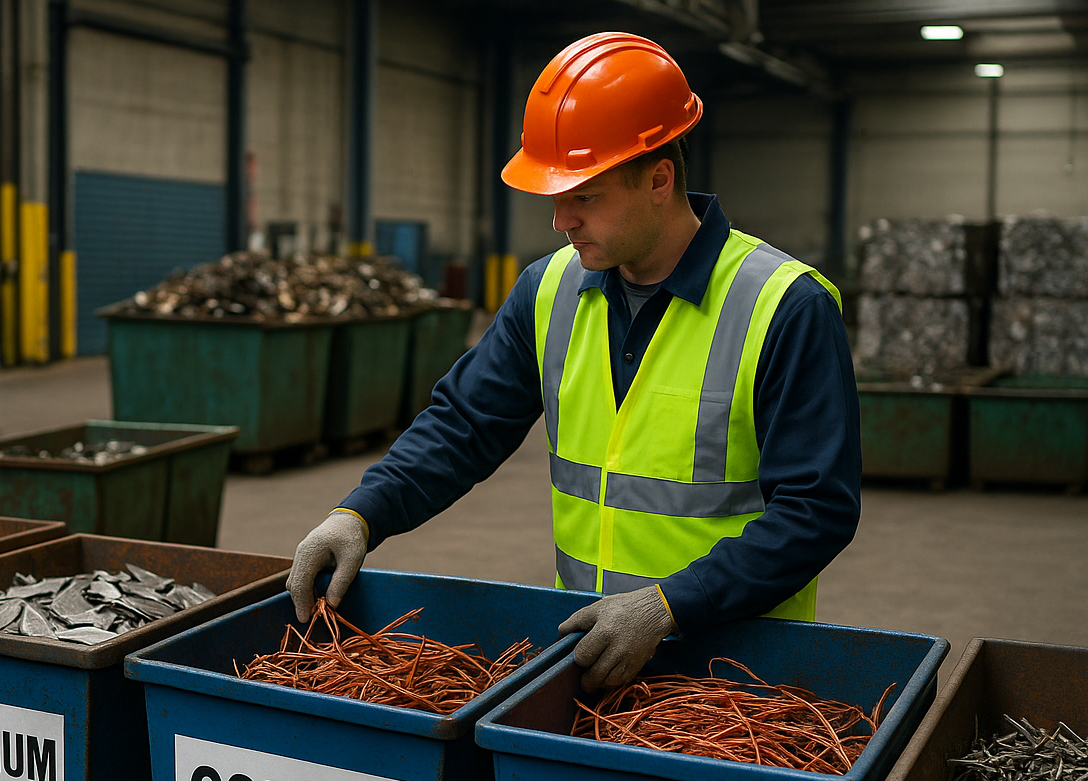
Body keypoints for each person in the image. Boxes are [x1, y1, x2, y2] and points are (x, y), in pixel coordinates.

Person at [286, 31, 860, 692]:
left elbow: (816, 511)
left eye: (583, 196)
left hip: (737, 681)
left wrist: (668, 606)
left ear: (659, 179)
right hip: (588, 658)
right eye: (555, 197)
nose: (560, 220)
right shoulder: (548, 290)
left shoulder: (784, 306)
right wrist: (361, 512)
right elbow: (465, 425)